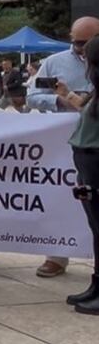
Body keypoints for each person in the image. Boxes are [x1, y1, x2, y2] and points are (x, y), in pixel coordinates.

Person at [27, 16, 99, 277]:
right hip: (62, 141)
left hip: (93, 141)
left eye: (87, 42)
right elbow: (32, 97)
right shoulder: (54, 62)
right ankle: (56, 255)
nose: (81, 48)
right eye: (76, 42)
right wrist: (60, 102)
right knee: (59, 194)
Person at [66, 37, 99, 314]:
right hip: (88, 160)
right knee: (96, 227)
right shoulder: (95, 91)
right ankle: (96, 284)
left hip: (95, 160)